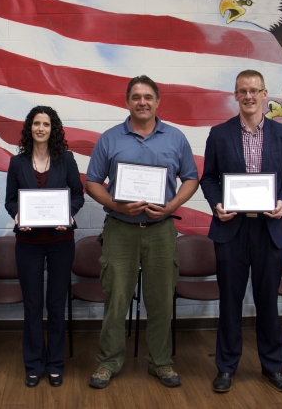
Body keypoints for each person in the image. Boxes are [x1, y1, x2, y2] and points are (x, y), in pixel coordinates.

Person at [85, 75, 199, 389]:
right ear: (127, 102)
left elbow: (191, 178)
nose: (142, 102)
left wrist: (171, 205)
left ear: (157, 101)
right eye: (136, 96)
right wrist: (116, 205)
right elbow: (92, 182)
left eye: (148, 96)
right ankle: (108, 362)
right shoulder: (109, 138)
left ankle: (161, 363)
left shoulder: (175, 138)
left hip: (161, 230)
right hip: (120, 230)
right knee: (116, 299)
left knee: (161, 300)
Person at [199, 69, 282, 394]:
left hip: (270, 230)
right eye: (242, 91)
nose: (249, 96)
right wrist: (217, 204)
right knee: (230, 301)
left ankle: (273, 367)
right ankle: (226, 368)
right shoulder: (218, 134)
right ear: (236, 94)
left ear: (265, 93)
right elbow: (208, 178)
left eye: (254, 90)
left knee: (267, 301)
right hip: (231, 230)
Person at [5, 106, 85, 388]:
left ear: (53, 129)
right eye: (36, 123)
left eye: (46, 124)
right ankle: (33, 364)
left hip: (60, 242)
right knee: (33, 305)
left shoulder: (67, 160)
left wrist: (70, 214)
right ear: (30, 128)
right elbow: (11, 200)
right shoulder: (18, 163)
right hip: (28, 243)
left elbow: (77, 194)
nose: (41, 128)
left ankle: (55, 364)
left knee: (55, 304)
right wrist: (17, 215)